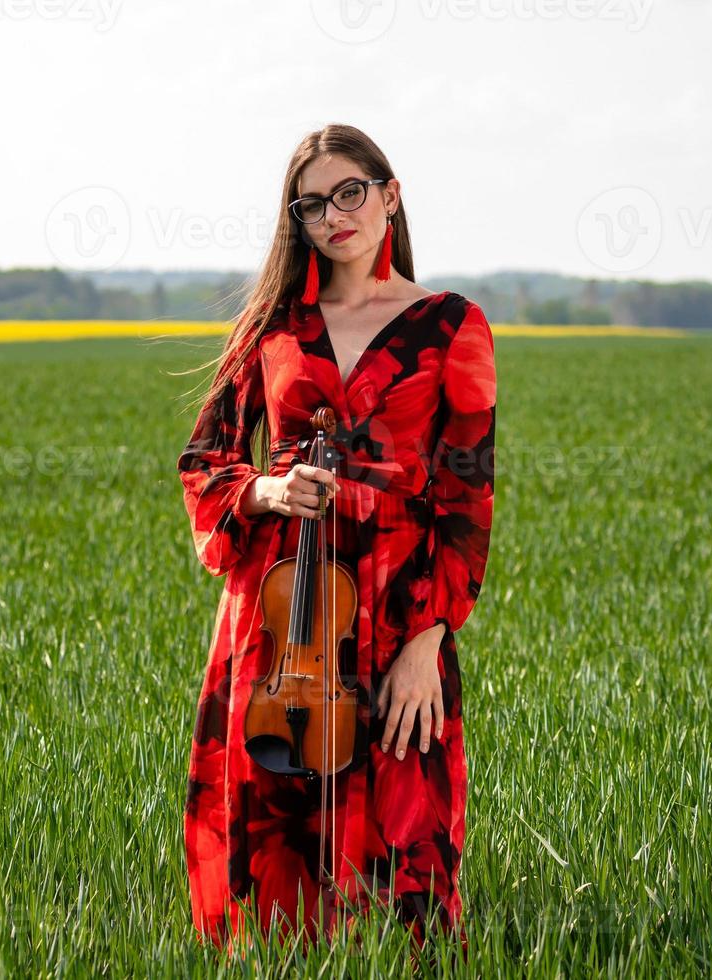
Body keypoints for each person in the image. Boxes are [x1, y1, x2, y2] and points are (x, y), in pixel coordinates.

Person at [176, 124, 496, 958]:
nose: (334, 215)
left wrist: (432, 637)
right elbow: (204, 459)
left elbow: (466, 499)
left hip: (397, 613)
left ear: (390, 195)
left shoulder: (451, 325)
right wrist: (269, 488)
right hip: (283, 622)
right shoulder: (273, 329)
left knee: (406, 839)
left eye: (350, 191)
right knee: (275, 847)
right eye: (312, 203)